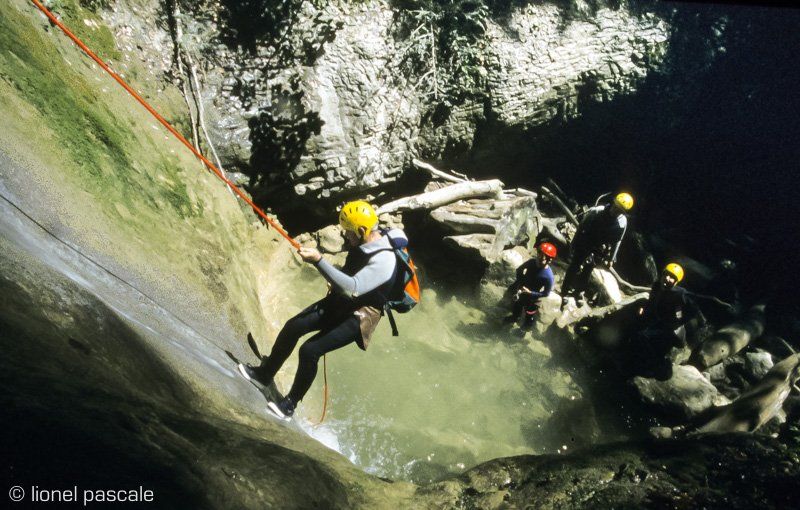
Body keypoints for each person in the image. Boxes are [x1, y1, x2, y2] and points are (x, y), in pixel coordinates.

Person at [239, 200, 406, 419]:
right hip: (344, 301)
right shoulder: (362, 241)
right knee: (294, 326)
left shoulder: (385, 260)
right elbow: (349, 280)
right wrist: (334, 276)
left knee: (310, 350)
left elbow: (353, 288)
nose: (345, 236)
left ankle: (289, 405)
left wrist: (319, 261)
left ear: (363, 230)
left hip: (361, 315)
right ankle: (264, 374)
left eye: (348, 232)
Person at [630, 262, 701, 380]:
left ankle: (653, 364)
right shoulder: (657, 286)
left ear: (676, 282)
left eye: (672, 278)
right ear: (662, 274)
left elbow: (693, 310)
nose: (667, 279)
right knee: (639, 331)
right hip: (657, 319)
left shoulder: (680, 294)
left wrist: (679, 321)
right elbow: (652, 300)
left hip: (670, 328)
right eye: (666, 275)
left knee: (644, 338)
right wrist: (644, 307)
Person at [560, 192, 633, 302]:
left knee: (588, 270)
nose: (615, 211)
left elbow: (617, 240)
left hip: (599, 248)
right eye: (615, 207)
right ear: (613, 203)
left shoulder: (622, 222)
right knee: (574, 265)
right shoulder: (597, 211)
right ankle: (564, 291)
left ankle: (579, 292)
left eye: (619, 210)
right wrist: (574, 242)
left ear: (623, 212)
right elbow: (582, 226)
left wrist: (612, 258)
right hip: (586, 241)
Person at [504, 242, 557, 330]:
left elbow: (545, 293)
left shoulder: (548, 276)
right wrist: (521, 282)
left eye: (544, 257)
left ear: (550, 260)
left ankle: (524, 329)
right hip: (522, 292)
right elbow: (519, 270)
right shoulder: (532, 262)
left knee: (529, 317)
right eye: (539, 254)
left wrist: (530, 292)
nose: (540, 258)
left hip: (532, 299)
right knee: (517, 308)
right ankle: (514, 318)